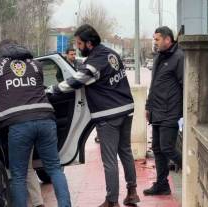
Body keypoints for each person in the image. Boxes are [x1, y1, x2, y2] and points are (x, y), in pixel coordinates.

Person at [46, 24, 140, 207]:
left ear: (89, 43)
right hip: (126, 109)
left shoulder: (95, 62)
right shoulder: (111, 53)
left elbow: (75, 81)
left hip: (108, 114)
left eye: (79, 43)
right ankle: (132, 192)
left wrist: (52, 89)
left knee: (110, 159)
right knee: (125, 152)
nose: (78, 47)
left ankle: (112, 201)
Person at [0, 40, 71, 207]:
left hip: (19, 125)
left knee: (18, 175)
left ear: (2, 52)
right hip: (46, 119)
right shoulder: (35, 64)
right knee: (55, 168)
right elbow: (33, 87)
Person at [143, 26, 184, 196]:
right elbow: (154, 85)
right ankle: (162, 184)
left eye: (157, 39)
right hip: (156, 110)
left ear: (168, 39)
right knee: (157, 148)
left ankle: (190, 167)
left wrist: (182, 112)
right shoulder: (159, 56)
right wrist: (148, 106)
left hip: (171, 111)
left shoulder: (179, 57)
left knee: (167, 147)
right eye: (154, 39)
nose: (155, 42)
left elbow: (184, 85)